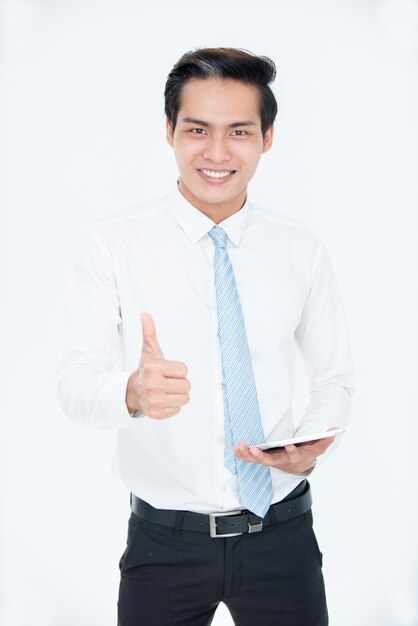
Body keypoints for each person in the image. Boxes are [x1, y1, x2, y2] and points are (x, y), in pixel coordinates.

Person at [56, 47, 355, 626]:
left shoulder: (302, 249)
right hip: (163, 544)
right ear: (169, 130)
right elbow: (73, 383)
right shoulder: (111, 245)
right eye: (197, 129)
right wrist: (131, 394)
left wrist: (316, 439)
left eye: (238, 131)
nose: (217, 153)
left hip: (282, 536)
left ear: (267, 137)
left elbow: (335, 376)